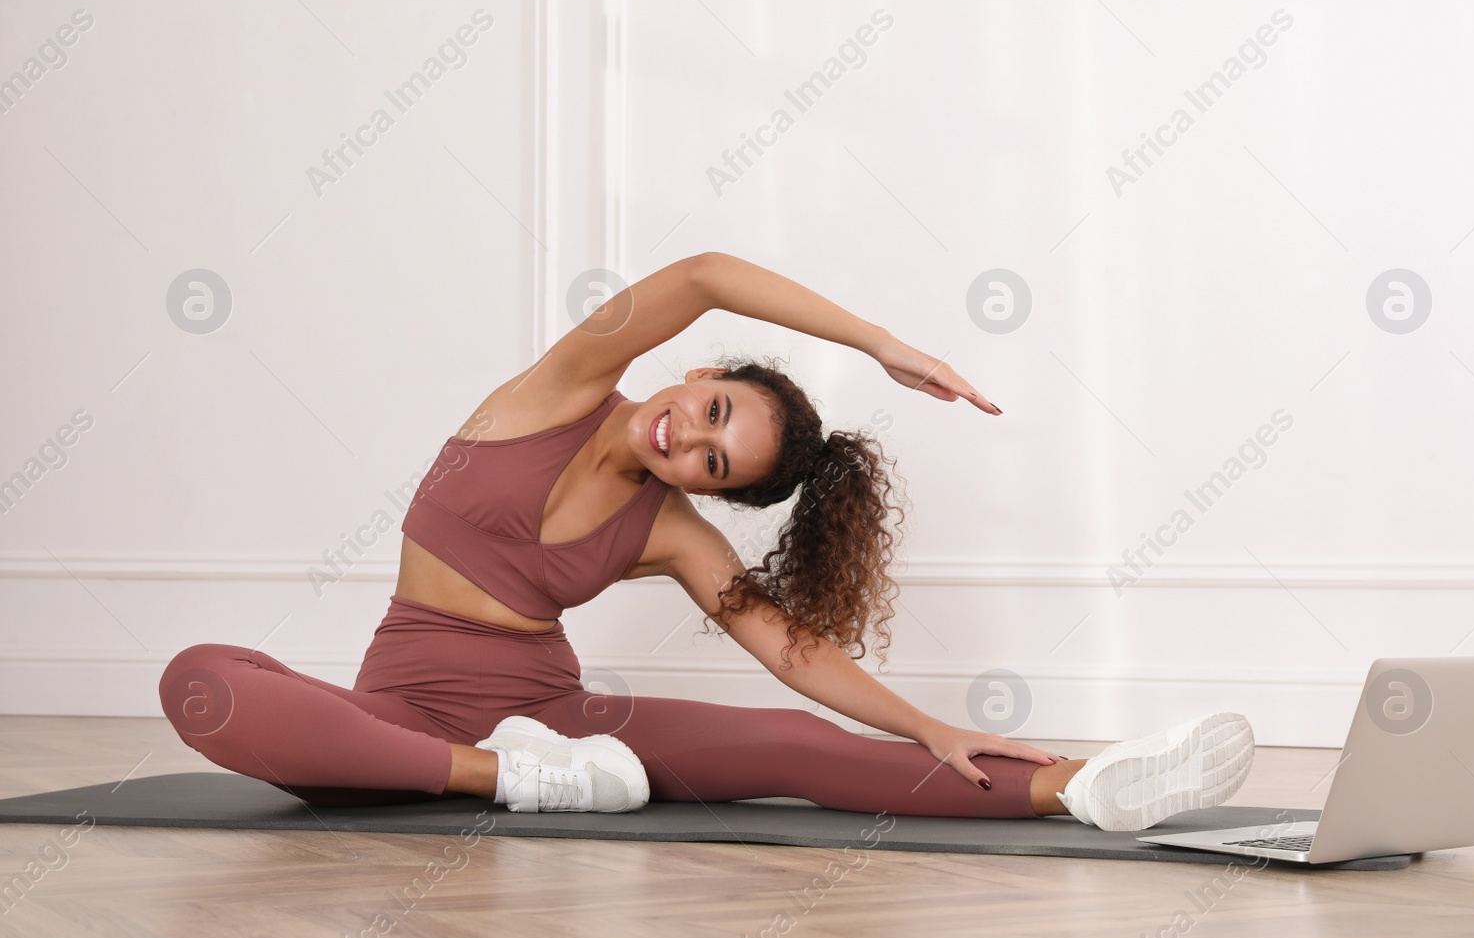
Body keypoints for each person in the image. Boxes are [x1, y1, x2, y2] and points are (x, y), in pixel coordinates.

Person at [157, 252, 1254, 830]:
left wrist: (930, 724)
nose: (688, 441)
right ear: (696, 374)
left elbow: (790, 649)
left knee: (782, 745)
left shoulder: (668, 531)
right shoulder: (557, 390)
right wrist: (879, 344)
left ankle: (1084, 785)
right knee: (204, 680)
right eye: (714, 410)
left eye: (712, 463)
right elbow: (705, 272)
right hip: (403, 711)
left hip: (557, 717)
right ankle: (510, 781)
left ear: (707, 492)